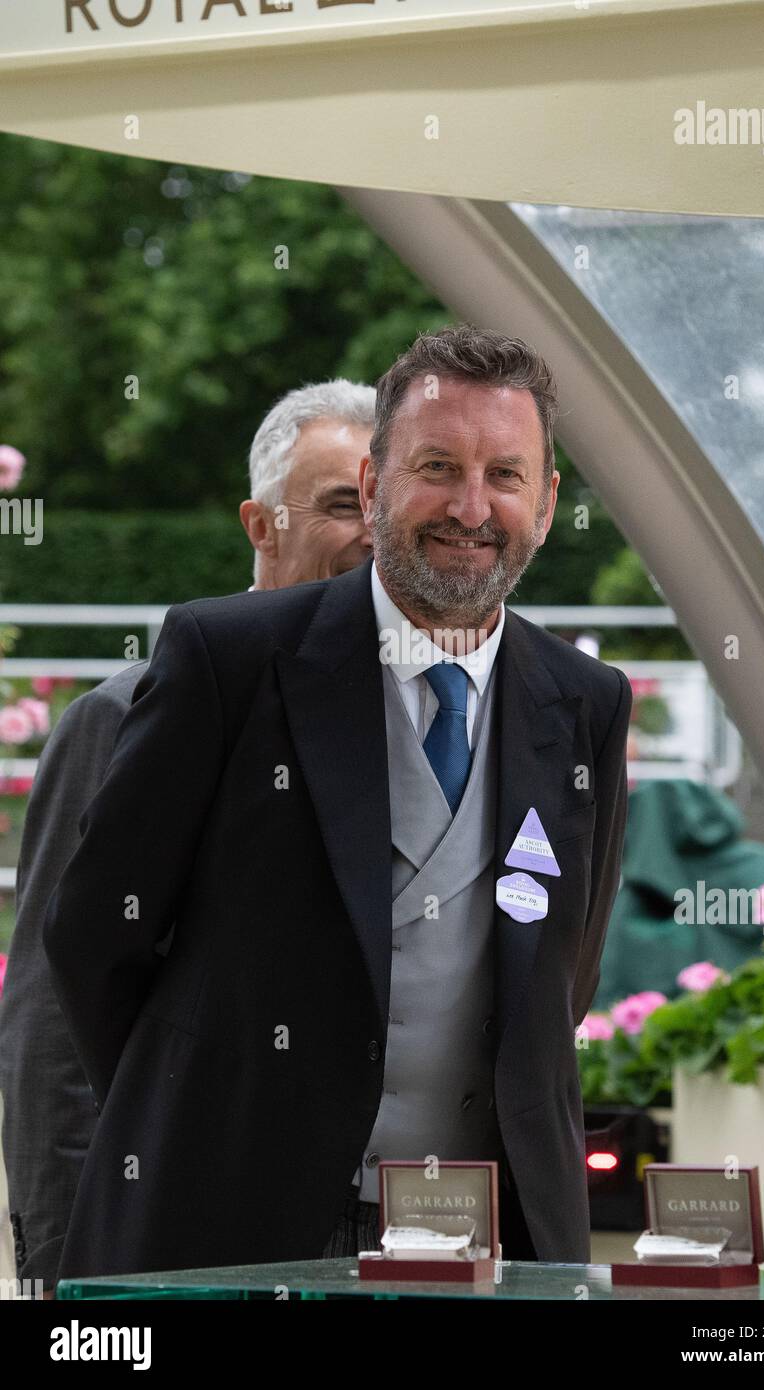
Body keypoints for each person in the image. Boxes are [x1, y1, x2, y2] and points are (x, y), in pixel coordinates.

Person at [42, 324, 632, 1282]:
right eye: (437, 466)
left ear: (549, 500)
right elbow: (95, 937)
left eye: (506, 475)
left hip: (486, 1241)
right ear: (373, 485)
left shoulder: (587, 703)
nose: (471, 507)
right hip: (231, 1232)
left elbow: (565, 976)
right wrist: (197, 1114)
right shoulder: (227, 661)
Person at [0, 381, 375, 1294]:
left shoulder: (410, 727)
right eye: (339, 505)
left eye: (385, 504)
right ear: (260, 525)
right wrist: (62, 1266)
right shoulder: (125, 717)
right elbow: (51, 1020)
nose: (372, 532)